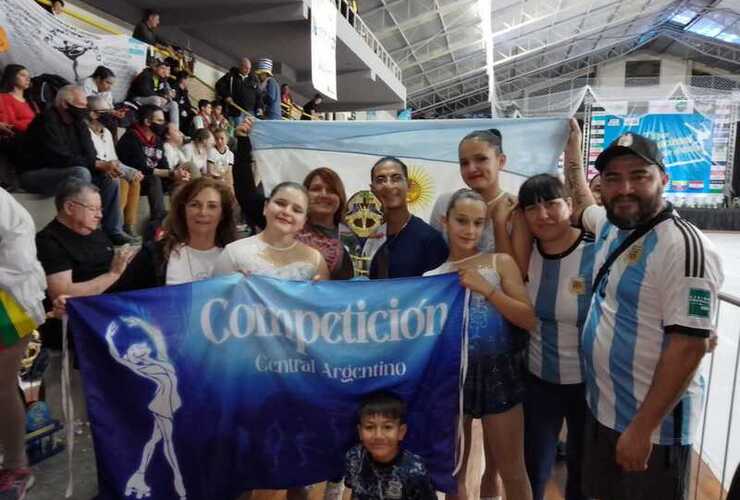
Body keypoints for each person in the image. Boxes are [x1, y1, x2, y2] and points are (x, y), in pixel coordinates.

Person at [563, 119, 724, 500]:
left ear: (663, 179)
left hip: (651, 431)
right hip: (604, 413)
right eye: (613, 178)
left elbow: (688, 346)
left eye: (639, 176)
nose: (625, 188)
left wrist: (642, 430)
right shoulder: (611, 226)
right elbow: (584, 202)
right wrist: (573, 150)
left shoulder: (683, 248)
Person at [425, 189, 535, 500]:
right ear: (445, 221)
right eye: (462, 221)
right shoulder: (431, 278)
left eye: (478, 223)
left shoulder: (500, 263)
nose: (470, 230)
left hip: (499, 373)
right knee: (455, 470)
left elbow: (528, 319)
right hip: (452, 377)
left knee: (512, 469)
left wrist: (487, 289)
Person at [512, 174, 596, 500]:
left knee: (583, 472)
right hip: (538, 382)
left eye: (551, 204)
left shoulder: (597, 253)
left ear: (570, 206)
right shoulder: (526, 255)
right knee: (534, 467)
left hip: (590, 386)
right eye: (532, 208)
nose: (543, 214)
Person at [20, 85, 134, 245]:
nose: (84, 109)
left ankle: (113, 231)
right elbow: (58, 157)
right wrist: (96, 163)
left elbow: (90, 154)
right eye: (81, 105)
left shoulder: (79, 123)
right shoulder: (45, 120)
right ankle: (80, 227)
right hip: (35, 174)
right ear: (65, 104)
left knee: (110, 179)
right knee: (81, 173)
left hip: (68, 171)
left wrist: (101, 165)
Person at [0, 187, 47, 500]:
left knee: (1, 386)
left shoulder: (3, 203)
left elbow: (19, 258)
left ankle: (17, 466)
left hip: (8, 300)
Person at [430, 129, 525, 270]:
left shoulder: (518, 209)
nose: (472, 168)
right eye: (464, 163)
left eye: (481, 159)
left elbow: (518, 275)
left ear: (501, 161)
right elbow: (434, 257)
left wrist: (500, 224)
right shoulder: (444, 203)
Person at [121, 177, 236, 288]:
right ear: (183, 210)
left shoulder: (236, 256)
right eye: (194, 205)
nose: (203, 212)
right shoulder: (154, 254)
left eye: (212, 206)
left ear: (223, 214)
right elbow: (117, 300)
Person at [214, 181, 329, 281]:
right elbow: (212, 301)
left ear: (304, 221)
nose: (287, 212)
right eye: (280, 203)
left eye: (297, 210)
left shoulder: (315, 260)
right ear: (265, 207)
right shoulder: (233, 253)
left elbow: (322, 304)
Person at [362, 156, 447, 279]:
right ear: (372, 189)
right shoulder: (362, 236)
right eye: (380, 180)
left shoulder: (430, 240)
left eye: (396, 178)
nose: (389, 185)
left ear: (408, 185)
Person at [343, 392, 437, 500]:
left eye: (387, 427)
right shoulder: (353, 457)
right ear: (360, 432)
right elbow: (354, 492)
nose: (378, 436)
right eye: (369, 427)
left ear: (401, 432)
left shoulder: (416, 471)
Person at [117, 105, 190, 228]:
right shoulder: (131, 137)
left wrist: (177, 176)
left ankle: (183, 222)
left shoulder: (157, 140)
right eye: (160, 121)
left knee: (181, 182)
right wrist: (170, 173)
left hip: (153, 178)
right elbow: (141, 168)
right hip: (134, 178)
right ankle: (159, 221)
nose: (163, 124)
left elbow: (164, 165)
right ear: (147, 122)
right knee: (153, 179)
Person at [86, 95, 144, 238]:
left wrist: (131, 171)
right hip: (94, 173)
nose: (112, 114)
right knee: (120, 181)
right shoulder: (84, 131)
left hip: (108, 170)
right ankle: (115, 229)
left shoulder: (106, 132)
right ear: (93, 114)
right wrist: (121, 171)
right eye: (106, 112)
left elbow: (114, 161)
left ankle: (128, 226)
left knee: (134, 179)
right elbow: (94, 161)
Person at [297, 167, 360, 280]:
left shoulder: (351, 239)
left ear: (340, 198)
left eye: (331, 190)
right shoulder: (289, 231)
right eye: (316, 189)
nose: (324, 194)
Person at [127, 60, 179, 128]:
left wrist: (168, 94)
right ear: (154, 68)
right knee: (156, 99)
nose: (165, 71)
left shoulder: (162, 79)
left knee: (173, 104)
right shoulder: (146, 75)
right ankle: (153, 124)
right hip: (137, 99)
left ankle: (174, 129)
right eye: (162, 68)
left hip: (153, 101)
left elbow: (164, 93)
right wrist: (161, 96)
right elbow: (145, 92)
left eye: (167, 69)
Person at [215, 57, 260, 127]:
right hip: (236, 111)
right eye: (246, 68)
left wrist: (260, 107)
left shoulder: (253, 79)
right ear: (240, 66)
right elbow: (219, 85)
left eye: (249, 68)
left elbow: (258, 95)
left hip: (250, 112)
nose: (248, 70)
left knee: (250, 131)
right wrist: (227, 96)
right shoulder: (231, 76)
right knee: (239, 130)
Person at [0, 64, 36, 134]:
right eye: (23, 75)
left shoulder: (31, 102)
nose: (28, 79)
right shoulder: (3, 97)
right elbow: (10, 123)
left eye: (28, 76)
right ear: (12, 77)